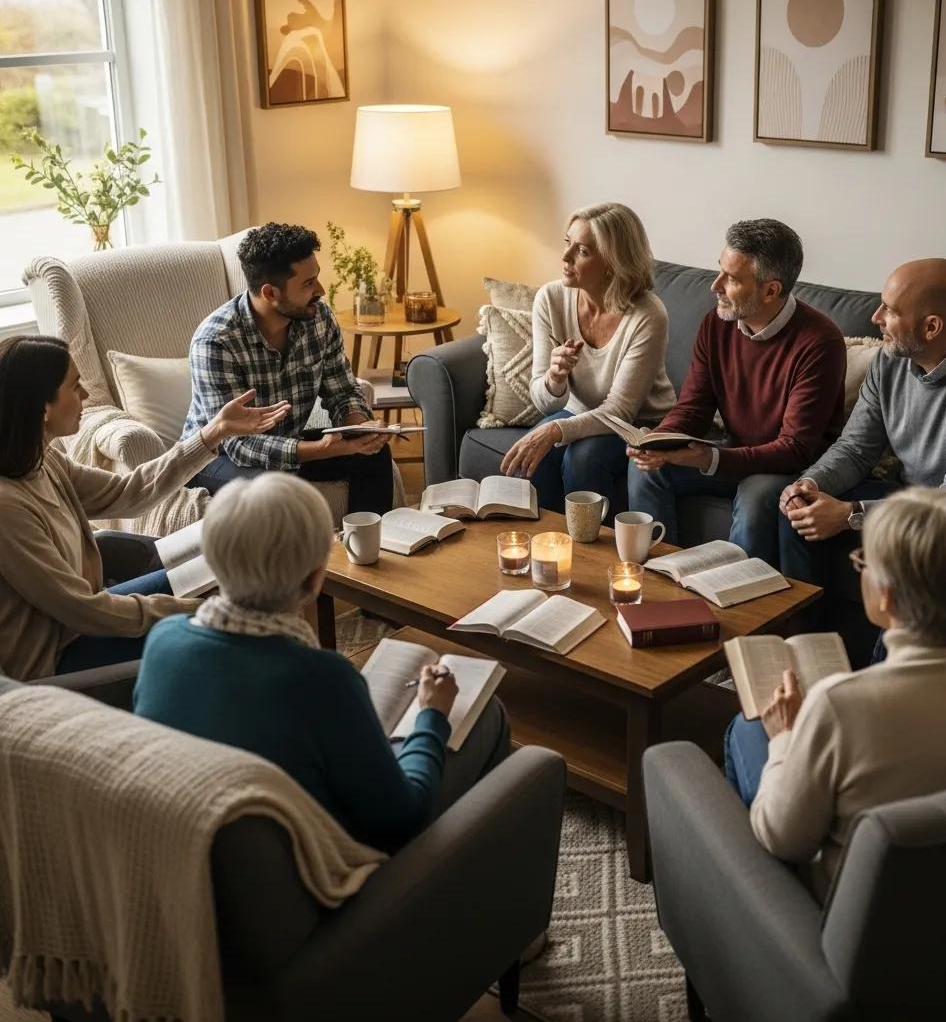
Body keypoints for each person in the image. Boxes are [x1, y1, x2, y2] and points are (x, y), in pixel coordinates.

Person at [133, 473, 510, 853]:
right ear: (316, 579)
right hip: (322, 884)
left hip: (198, 861)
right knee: (487, 714)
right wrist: (432, 715)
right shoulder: (321, 677)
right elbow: (401, 820)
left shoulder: (163, 641)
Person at [723, 488, 946, 900]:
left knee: (747, 727)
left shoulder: (839, 705)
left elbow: (785, 839)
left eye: (863, 562)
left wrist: (785, 740)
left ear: (885, 595)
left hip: (861, 932)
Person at [0, 334, 290, 681]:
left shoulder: (44, 460)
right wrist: (194, 612)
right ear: (42, 407)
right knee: (225, 630)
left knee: (222, 566)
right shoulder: (8, 508)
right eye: (75, 386)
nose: (86, 396)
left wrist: (213, 433)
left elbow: (129, 491)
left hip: (81, 624)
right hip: (54, 660)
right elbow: (81, 610)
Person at [779, 258, 946, 587]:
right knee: (798, 512)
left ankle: (895, 641)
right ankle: (806, 633)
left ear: (931, 327)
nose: (875, 317)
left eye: (890, 311)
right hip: (911, 493)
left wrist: (851, 514)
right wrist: (811, 484)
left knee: (914, 548)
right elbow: (856, 449)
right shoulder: (890, 359)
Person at [628, 219, 846, 555]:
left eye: (731, 279)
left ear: (771, 290)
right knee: (648, 470)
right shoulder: (717, 323)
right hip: (736, 451)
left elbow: (795, 448)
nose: (715, 285)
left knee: (756, 493)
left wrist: (712, 458)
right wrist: (659, 440)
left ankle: (735, 600)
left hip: (792, 468)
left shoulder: (820, 342)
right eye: (720, 270)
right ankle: (658, 581)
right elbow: (694, 407)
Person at [182, 221, 394, 513]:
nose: (320, 290)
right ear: (270, 293)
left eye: (316, 278)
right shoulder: (216, 342)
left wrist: (360, 429)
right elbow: (238, 445)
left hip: (286, 442)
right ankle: (308, 560)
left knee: (374, 456)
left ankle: (372, 549)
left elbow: (342, 391)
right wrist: (323, 449)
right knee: (272, 490)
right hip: (216, 458)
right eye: (308, 284)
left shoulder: (319, 319)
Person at [500, 202, 676, 510]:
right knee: (532, 457)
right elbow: (544, 402)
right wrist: (554, 379)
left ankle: (594, 553)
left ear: (613, 261)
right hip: (580, 412)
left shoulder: (648, 315)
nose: (565, 258)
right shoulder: (551, 298)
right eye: (568, 244)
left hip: (640, 424)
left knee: (583, 457)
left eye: (582, 251)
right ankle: (550, 545)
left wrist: (555, 428)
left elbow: (620, 410)